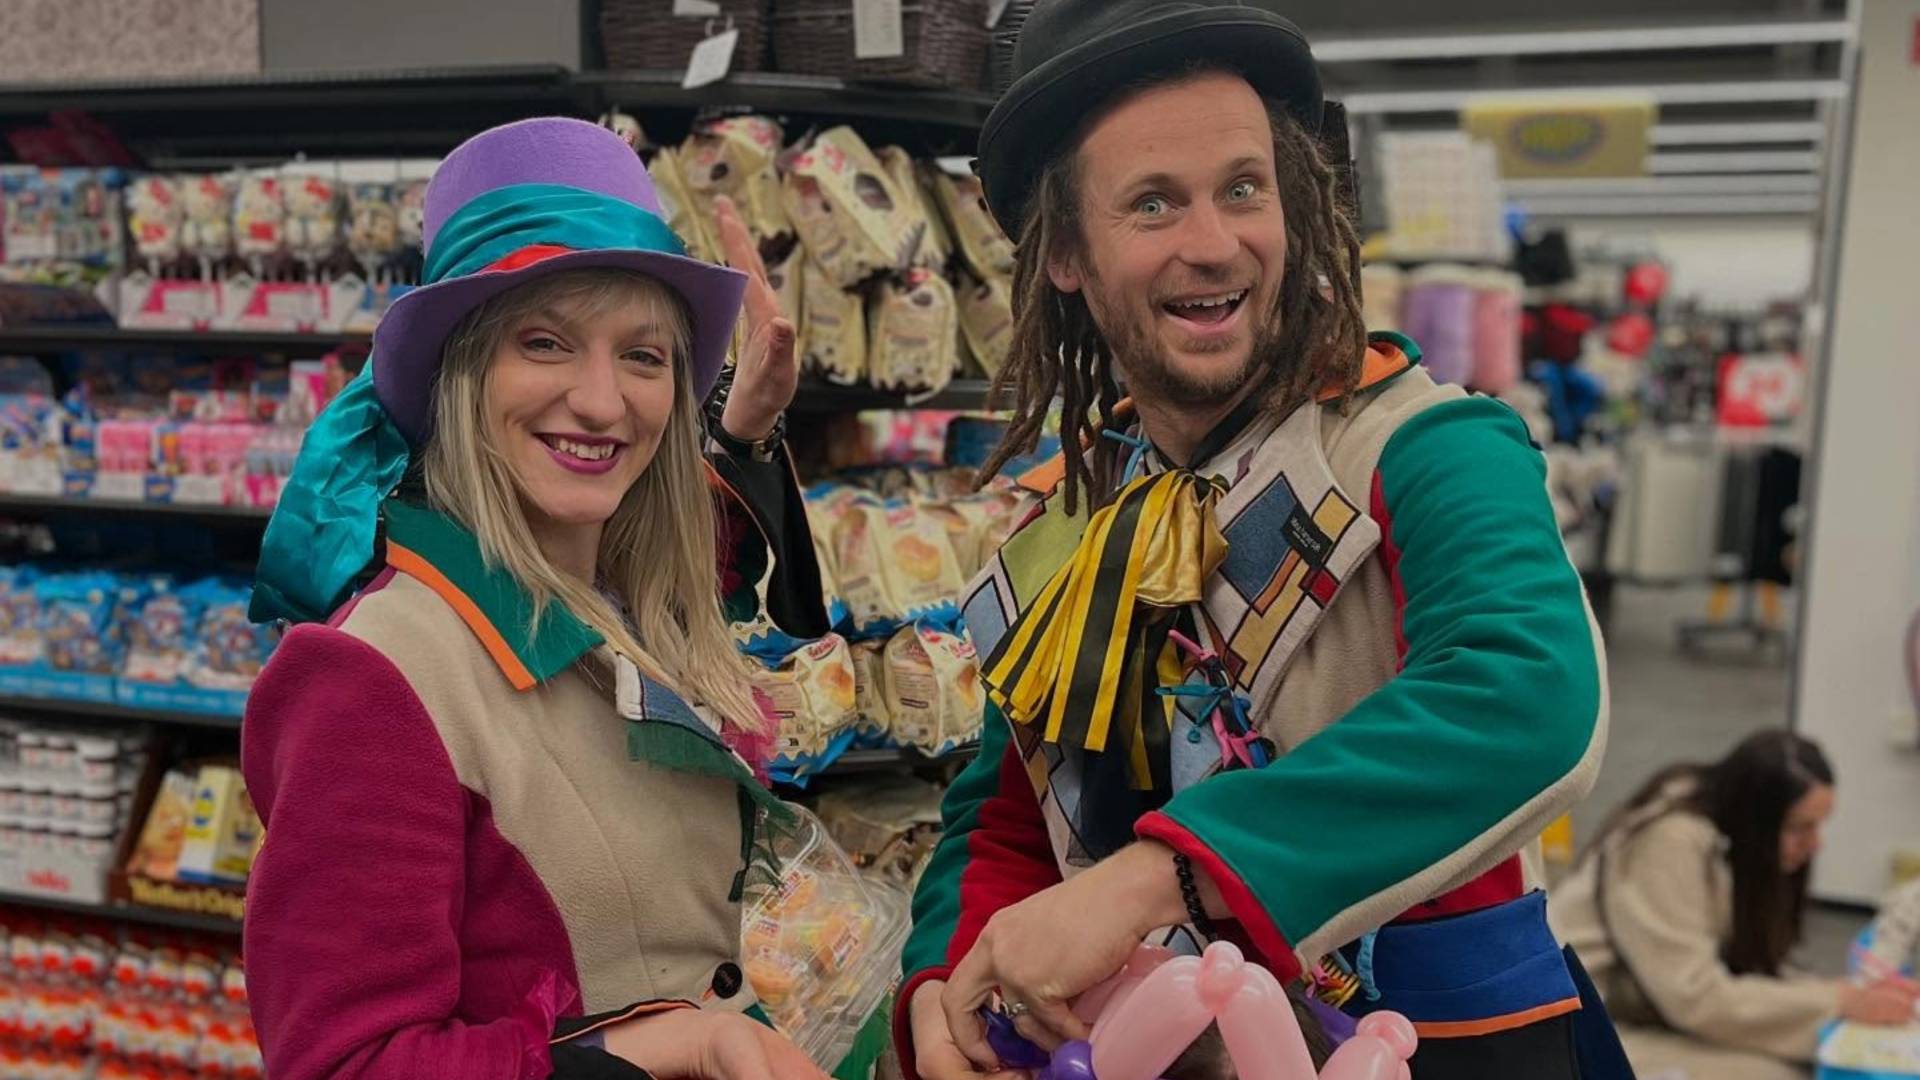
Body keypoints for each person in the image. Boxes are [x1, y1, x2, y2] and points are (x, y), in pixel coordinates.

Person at [894, 3, 1616, 1079]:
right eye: (1153, 203)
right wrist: (947, 987)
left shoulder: (1425, 444)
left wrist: (1158, 879)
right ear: (1066, 254)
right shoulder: (1070, 520)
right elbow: (1004, 819)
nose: (1214, 243)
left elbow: (1527, 697)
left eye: (1243, 189)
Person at [241, 118, 829, 1080]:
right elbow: (344, 1065)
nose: (601, 402)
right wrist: (665, 1044)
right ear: (461, 374)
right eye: (546, 343)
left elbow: (707, 577)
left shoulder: (622, 598)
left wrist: (745, 433)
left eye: (645, 357)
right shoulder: (372, 682)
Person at [1551, 730, 1920, 1079]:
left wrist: (1841, 997)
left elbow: (1736, 971)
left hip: (1648, 1007)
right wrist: (1836, 1002)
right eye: (1800, 827)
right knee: (1781, 1073)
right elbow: (1693, 997)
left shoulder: (1728, 830)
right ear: (1757, 820)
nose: (1815, 844)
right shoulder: (1668, 843)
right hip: (1583, 1026)